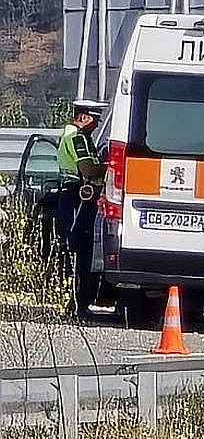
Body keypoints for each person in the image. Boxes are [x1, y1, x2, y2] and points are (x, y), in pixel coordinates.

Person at [56, 99, 108, 319]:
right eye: (95, 120)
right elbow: (87, 170)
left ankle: (77, 303)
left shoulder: (73, 136)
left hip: (73, 197)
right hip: (77, 198)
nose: (96, 125)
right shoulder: (77, 137)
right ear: (83, 117)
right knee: (80, 250)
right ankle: (78, 305)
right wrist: (111, 165)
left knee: (79, 249)